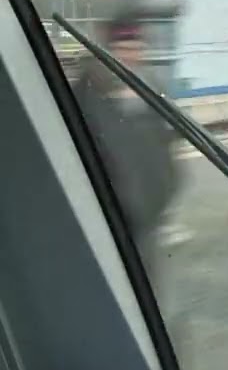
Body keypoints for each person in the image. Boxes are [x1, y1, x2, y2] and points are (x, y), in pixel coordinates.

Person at [71, 15, 183, 283]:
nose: (132, 54)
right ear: (109, 49)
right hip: (112, 208)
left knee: (147, 279)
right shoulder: (89, 92)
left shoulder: (150, 84)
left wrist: (168, 185)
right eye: (124, 48)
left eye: (137, 47)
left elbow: (168, 136)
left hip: (148, 206)